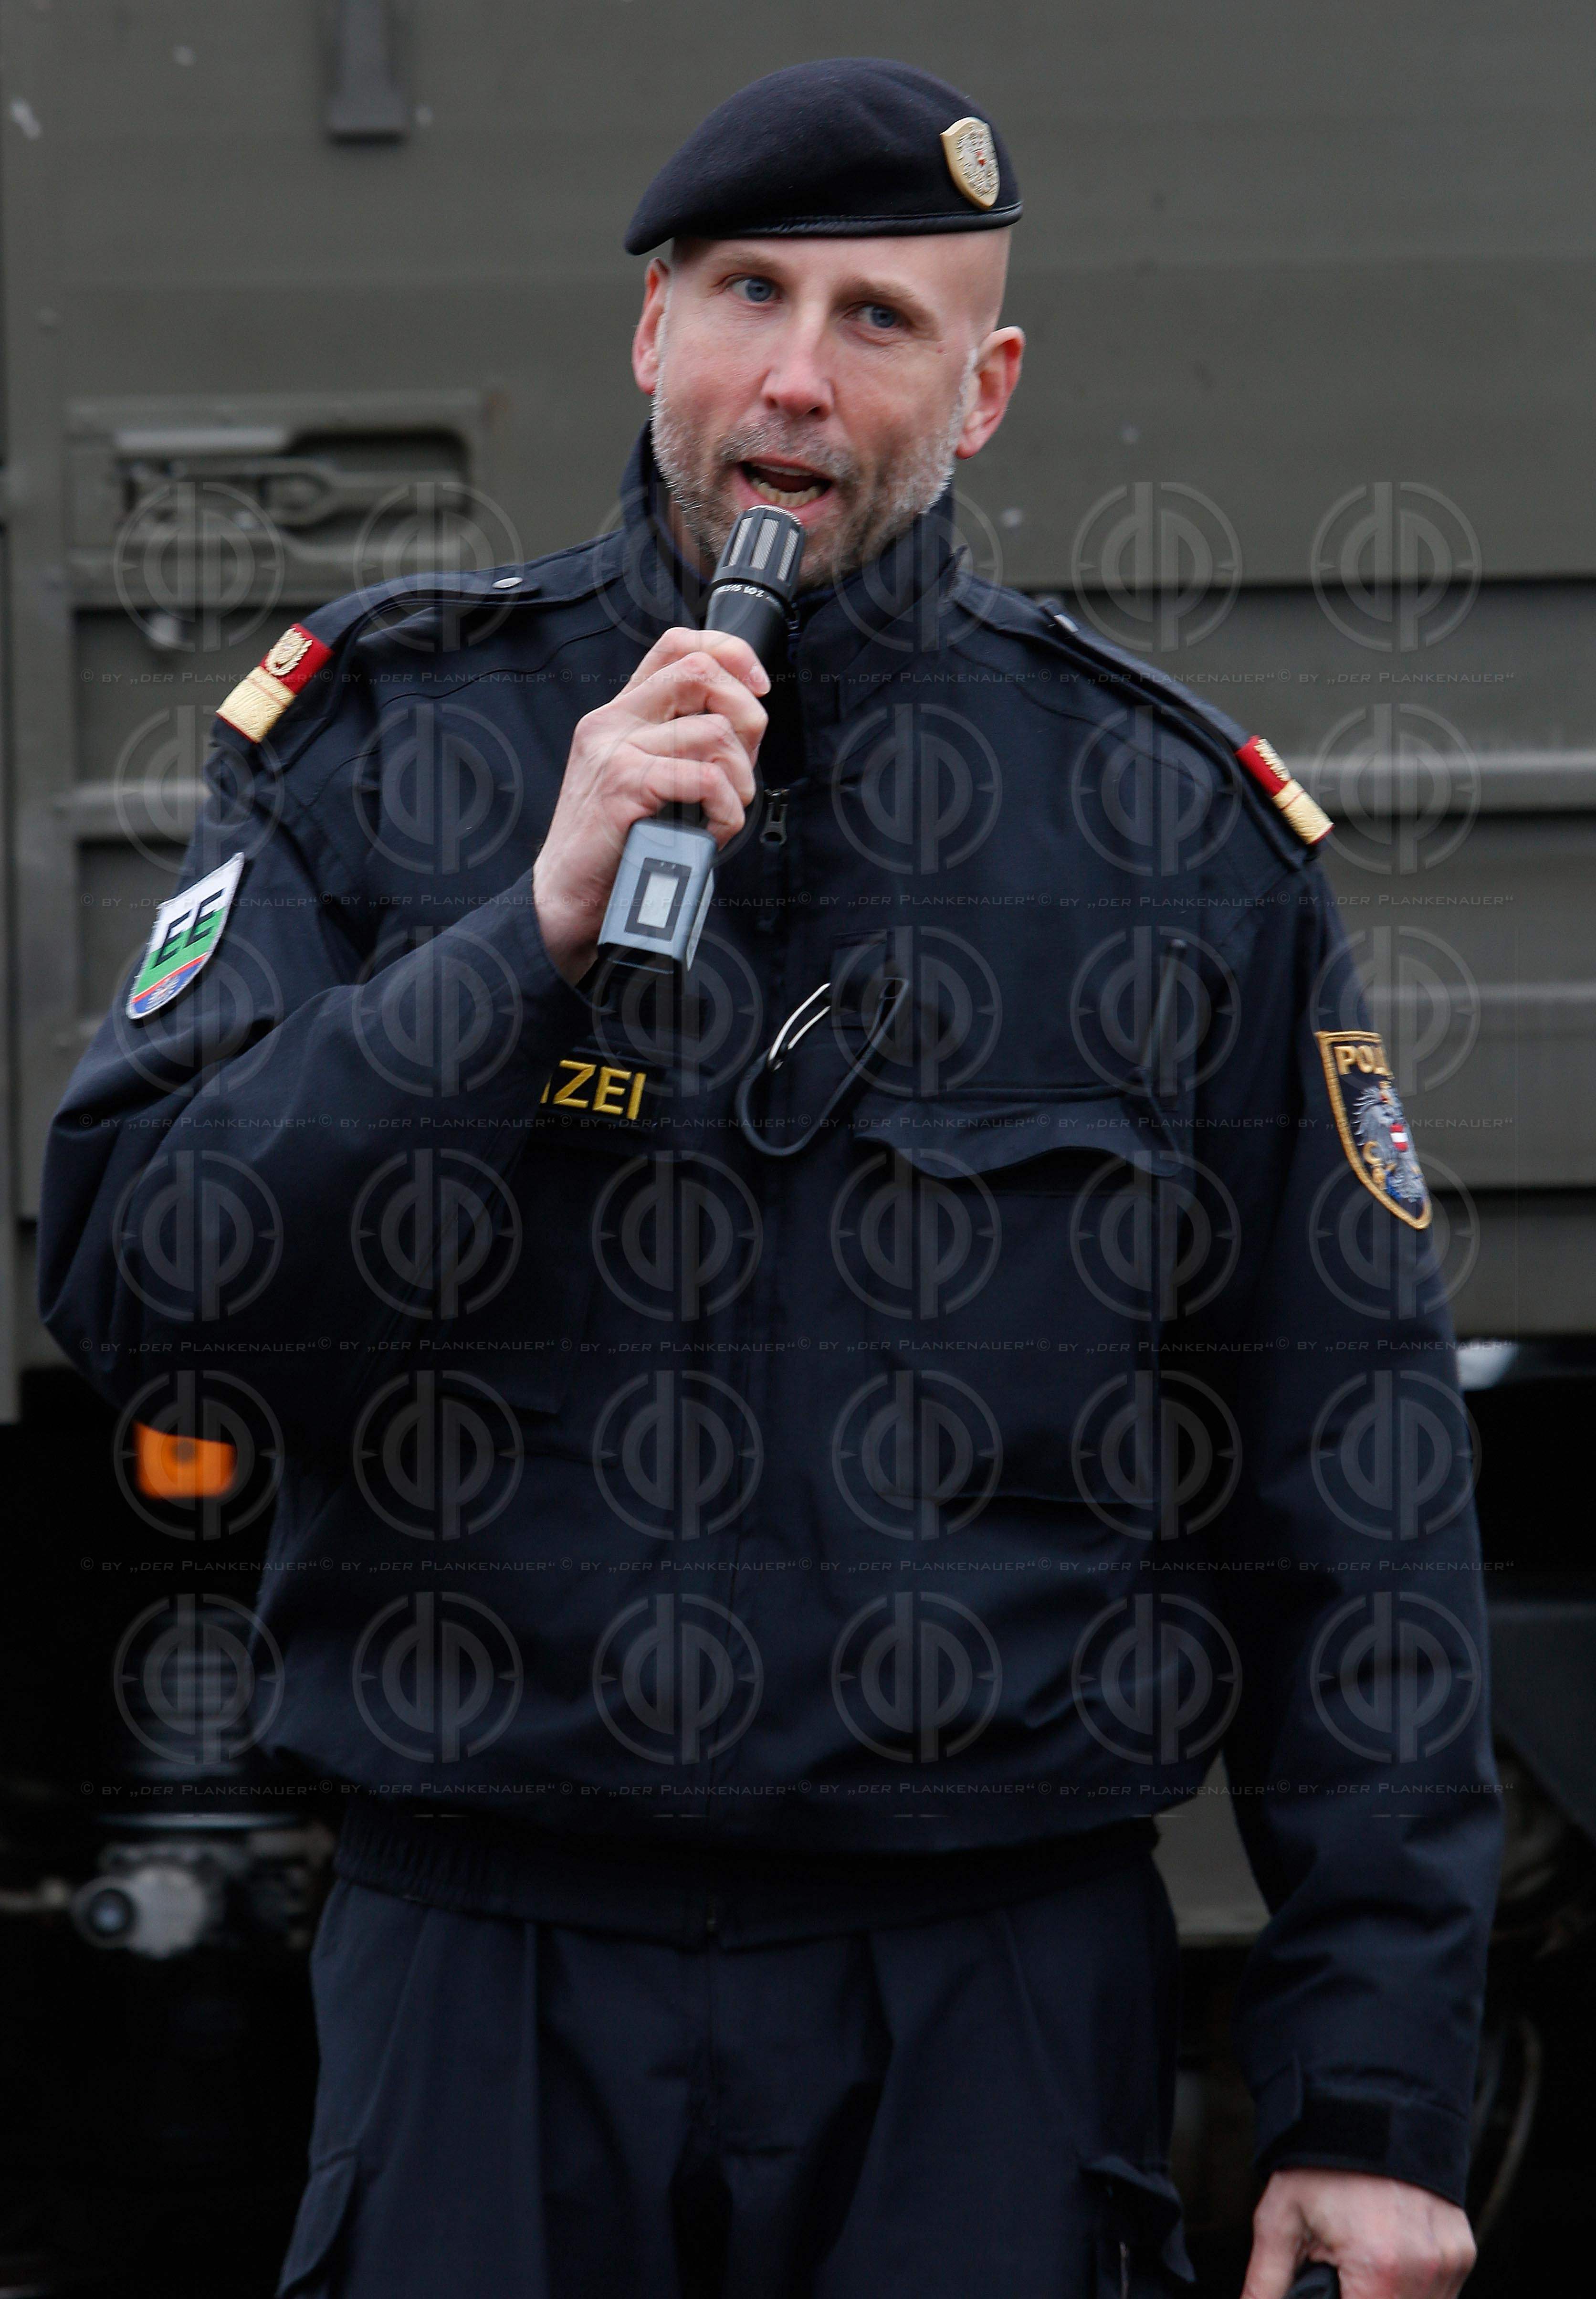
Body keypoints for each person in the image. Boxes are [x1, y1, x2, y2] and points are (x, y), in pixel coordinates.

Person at [39, 57, 1496, 2299]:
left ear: (984, 389)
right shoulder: (385, 751)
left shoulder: (1164, 836)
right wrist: (516, 936)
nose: (796, 377)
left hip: (978, 1996)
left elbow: (1354, 1491)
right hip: (489, 1974)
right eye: (744, 295)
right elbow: (153, 1291)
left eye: (879, 319)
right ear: (648, 335)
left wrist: (1370, 2105)